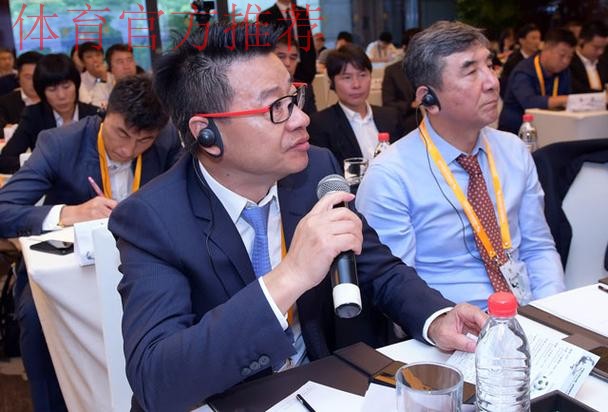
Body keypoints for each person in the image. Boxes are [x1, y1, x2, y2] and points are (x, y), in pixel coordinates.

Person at [108, 22, 488, 411]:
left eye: (293, 98)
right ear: (208, 134)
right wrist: (290, 276)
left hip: (324, 388)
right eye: (275, 108)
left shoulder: (316, 169)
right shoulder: (153, 219)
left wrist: (436, 318)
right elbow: (156, 378)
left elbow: (376, 266)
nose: (300, 119)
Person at [0, 75, 182, 411]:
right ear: (104, 112)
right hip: (71, 265)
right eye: (121, 134)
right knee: (35, 318)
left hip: (145, 262)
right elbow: (3, 210)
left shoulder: (167, 140)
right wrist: (68, 213)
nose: (128, 150)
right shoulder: (60, 143)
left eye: (143, 140)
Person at [356, 21, 564, 310]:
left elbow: (538, 246)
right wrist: (444, 324)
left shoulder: (514, 151)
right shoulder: (391, 176)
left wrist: (552, 314)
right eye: (471, 72)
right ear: (429, 99)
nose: (492, 82)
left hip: (528, 311)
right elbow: (394, 287)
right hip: (453, 323)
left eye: (489, 66)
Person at [0, 53, 99, 173]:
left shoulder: (95, 115)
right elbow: (5, 160)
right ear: (42, 93)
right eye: (52, 90)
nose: (61, 96)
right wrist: (43, 166)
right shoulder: (34, 116)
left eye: (66, 87)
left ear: (76, 85)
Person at [308, 44, 404, 166]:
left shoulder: (391, 117)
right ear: (332, 82)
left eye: (362, 75)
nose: (356, 85)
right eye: (347, 77)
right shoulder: (320, 124)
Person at [499, 28, 576, 134]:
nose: (566, 61)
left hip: (550, 127)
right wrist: (563, 100)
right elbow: (529, 102)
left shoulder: (565, 72)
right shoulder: (524, 70)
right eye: (562, 55)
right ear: (546, 48)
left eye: (570, 57)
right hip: (516, 132)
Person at [258, 0, 317, 84]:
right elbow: (266, 45)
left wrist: (311, 68)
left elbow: (309, 41)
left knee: (305, 92)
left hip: (304, 68)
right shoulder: (266, 15)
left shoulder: (302, 12)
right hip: (280, 68)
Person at [382, 28, 421, 134]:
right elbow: (388, 103)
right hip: (408, 119)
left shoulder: (435, 68)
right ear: (404, 47)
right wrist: (411, 105)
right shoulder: (392, 71)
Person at [0, 51, 42, 140]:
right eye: (28, 77)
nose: (34, 82)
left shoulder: (54, 99)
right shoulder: (4, 103)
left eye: (37, 76)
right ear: (18, 77)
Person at [273, 36, 317, 115]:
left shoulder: (305, 89)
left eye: (293, 58)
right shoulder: (258, 90)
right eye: (281, 57)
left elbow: (313, 120)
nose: (287, 63)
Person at [500, 24, 542, 99]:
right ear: (522, 40)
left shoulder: (542, 59)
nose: (537, 42)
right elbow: (504, 86)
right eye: (533, 38)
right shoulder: (513, 61)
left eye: (539, 38)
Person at [569, 21, 608, 94]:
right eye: (596, 47)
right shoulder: (569, 63)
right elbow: (577, 90)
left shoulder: (604, 61)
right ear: (581, 41)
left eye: (604, 47)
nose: (601, 52)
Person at [78, 41, 114, 108]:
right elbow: (90, 106)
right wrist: (101, 80)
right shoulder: (79, 80)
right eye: (89, 57)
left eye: (98, 55)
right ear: (82, 62)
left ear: (103, 57)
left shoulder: (113, 77)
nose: (95, 60)